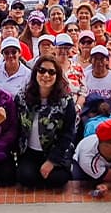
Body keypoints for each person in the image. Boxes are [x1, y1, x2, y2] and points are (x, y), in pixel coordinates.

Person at [14, 56, 76, 189]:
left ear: (57, 75)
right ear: (35, 72)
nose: (46, 75)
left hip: (55, 151)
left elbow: (68, 133)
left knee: (57, 179)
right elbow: (16, 127)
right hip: (30, 152)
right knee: (25, 178)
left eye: (51, 72)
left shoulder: (66, 101)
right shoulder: (22, 97)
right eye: (41, 71)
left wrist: (52, 161)